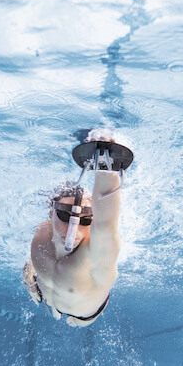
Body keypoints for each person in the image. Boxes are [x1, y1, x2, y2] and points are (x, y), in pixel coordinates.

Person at [23, 129, 123, 327]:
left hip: (84, 314)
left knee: (78, 322)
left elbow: (106, 223)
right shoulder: (41, 233)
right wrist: (30, 278)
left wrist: (105, 164)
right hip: (47, 295)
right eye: (63, 215)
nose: (72, 230)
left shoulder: (96, 254)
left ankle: (78, 319)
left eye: (86, 220)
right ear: (51, 214)